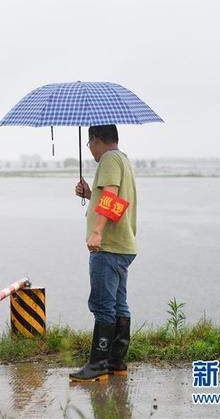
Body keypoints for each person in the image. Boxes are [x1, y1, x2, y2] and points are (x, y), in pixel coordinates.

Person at [69, 124, 138, 382]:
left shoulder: (108, 159)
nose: (91, 151)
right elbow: (115, 201)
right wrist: (89, 193)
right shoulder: (122, 159)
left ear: (95, 140)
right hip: (123, 245)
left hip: (107, 246)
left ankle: (97, 366)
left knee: (102, 305)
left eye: (90, 145)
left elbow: (112, 196)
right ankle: (116, 362)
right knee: (119, 303)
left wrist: (96, 232)